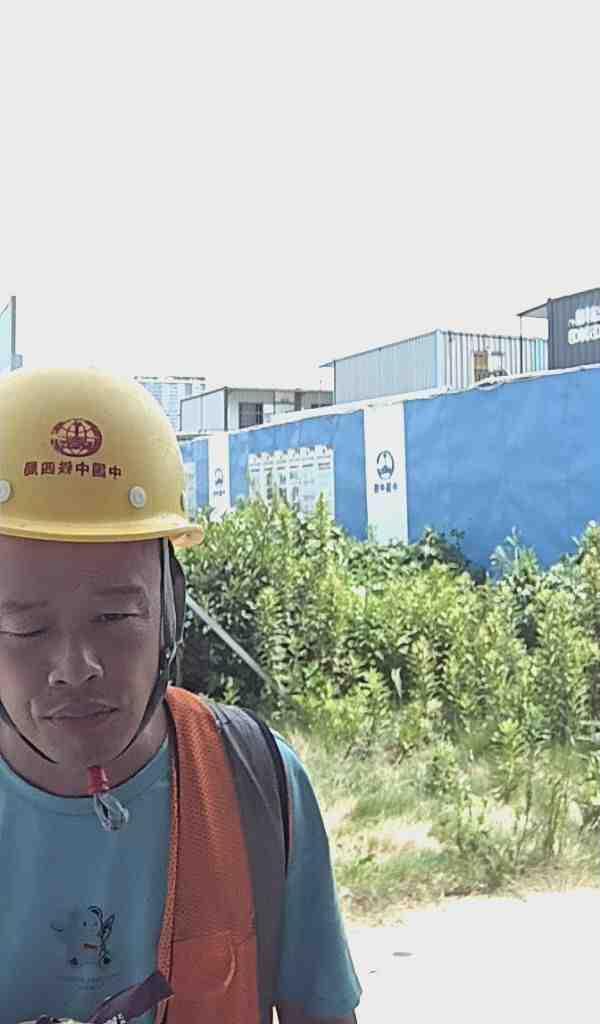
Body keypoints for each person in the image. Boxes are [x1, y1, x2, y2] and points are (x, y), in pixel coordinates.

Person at [0, 367, 362, 1024]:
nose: (75, 668)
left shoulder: (254, 784)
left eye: (115, 616)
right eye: (26, 628)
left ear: (172, 608)